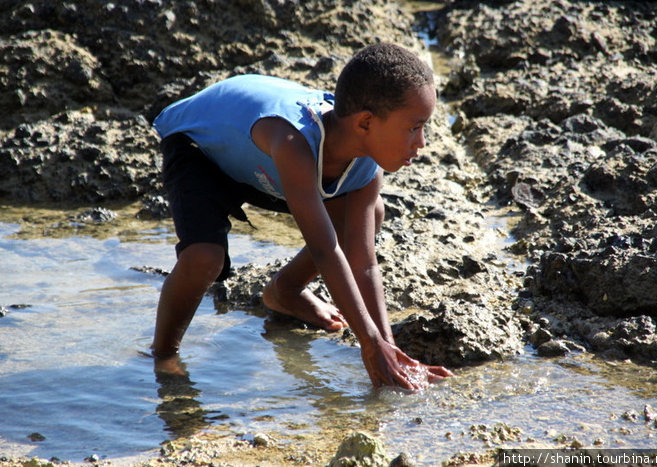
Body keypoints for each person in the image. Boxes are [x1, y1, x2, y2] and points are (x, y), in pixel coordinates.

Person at [151, 42, 454, 389]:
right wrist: (368, 344)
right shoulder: (294, 141)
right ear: (366, 122)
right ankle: (163, 356)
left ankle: (285, 292)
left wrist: (388, 347)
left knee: (369, 213)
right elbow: (325, 250)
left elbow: (363, 261)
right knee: (205, 258)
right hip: (201, 148)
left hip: (259, 167)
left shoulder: (367, 162)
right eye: (414, 127)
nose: (423, 143)